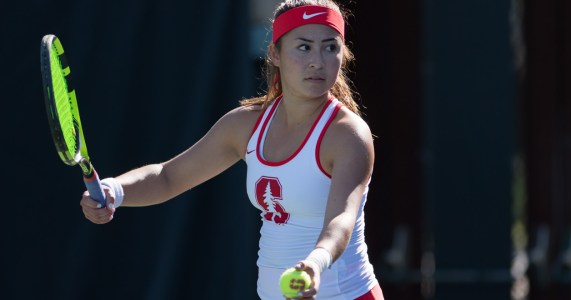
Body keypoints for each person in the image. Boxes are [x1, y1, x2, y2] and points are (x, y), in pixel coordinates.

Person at [80, 0, 384, 299]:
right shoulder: (246, 126)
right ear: (275, 54)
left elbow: (341, 220)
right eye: (303, 47)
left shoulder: (349, 135)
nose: (318, 60)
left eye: (330, 47)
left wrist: (315, 264)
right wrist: (114, 190)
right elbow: (167, 176)